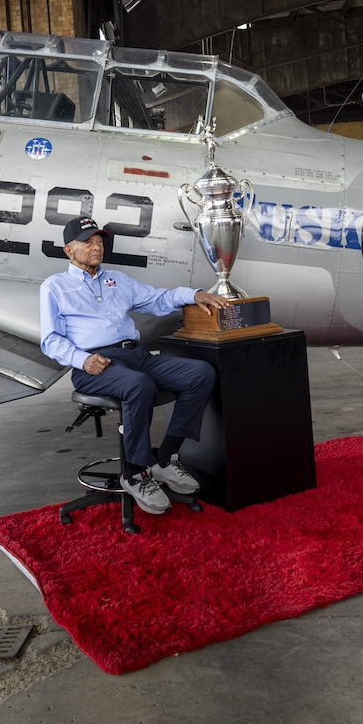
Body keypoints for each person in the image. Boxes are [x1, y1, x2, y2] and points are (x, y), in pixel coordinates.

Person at [40, 217, 230, 514]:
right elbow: (50, 340)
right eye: (87, 242)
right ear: (68, 250)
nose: (96, 247)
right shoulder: (55, 287)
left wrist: (193, 295)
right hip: (95, 365)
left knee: (200, 374)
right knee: (139, 385)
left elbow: (158, 299)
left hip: (136, 356)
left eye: (99, 241)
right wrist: (83, 359)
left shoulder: (117, 280)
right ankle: (135, 473)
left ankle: (165, 459)